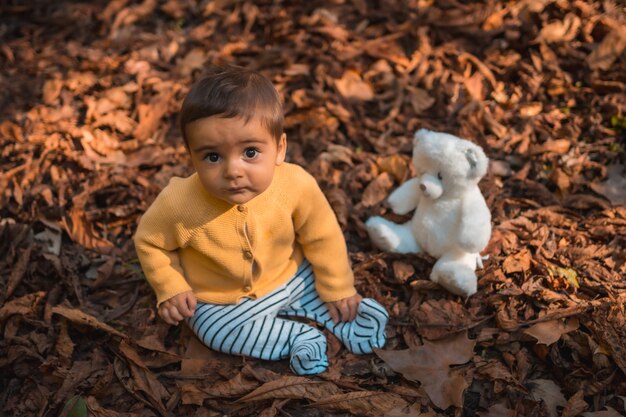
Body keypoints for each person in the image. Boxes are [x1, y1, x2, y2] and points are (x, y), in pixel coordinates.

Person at [134, 65, 388, 375]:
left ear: (280, 149)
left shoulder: (295, 184)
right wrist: (170, 286)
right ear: (191, 156)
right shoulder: (179, 204)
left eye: (250, 152)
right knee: (213, 330)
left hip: (291, 275)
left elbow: (322, 235)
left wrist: (338, 287)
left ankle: (347, 321)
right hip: (222, 299)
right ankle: (297, 337)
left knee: (333, 297)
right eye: (212, 157)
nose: (233, 170)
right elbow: (150, 242)